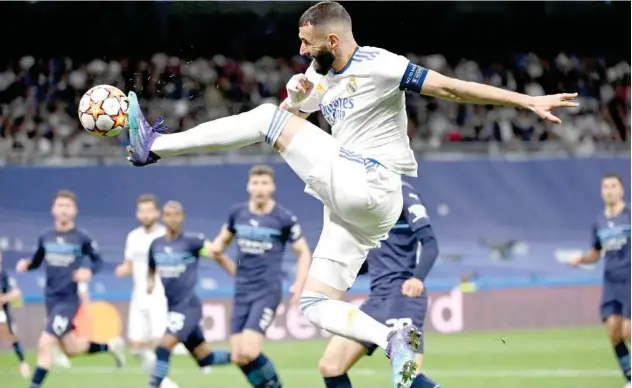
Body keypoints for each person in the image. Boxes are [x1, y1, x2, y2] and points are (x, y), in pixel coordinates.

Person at [125, 3, 577, 386]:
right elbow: (294, 114)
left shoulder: (380, 63)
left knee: (264, 118)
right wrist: (297, 96)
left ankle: (154, 145)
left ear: (334, 41)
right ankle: (392, 341)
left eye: (307, 43)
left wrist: (525, 102)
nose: (301, 50)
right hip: (357, 210)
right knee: (314, 303)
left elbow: (451, 88)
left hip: (373, 180)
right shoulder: (319, 74)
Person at [318, 180, 440, 388]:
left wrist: (418, 277)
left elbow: (430, 242)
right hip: (377, 300)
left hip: (404, 298)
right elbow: (369, 262)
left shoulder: (403, 193)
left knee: (406, 378)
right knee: (331, 366)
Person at [211, 164, 312, 388]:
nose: (259, 188)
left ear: (272, 187)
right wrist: (222, 259)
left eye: (264, 183)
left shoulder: (284, 218)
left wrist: (299, 282)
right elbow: (219, 247)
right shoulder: (238, 214)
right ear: (248, 186)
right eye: (256, 183)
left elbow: (303, 252)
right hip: (242, 291)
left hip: (267, 291)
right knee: (238, 356)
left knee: (250, 350)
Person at [15, 190, 125, 388]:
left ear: (74, 211)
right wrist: (27, 265)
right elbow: (37, 260)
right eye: (60, 205)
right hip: (50, 299)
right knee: (70, 348)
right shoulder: (46, 237)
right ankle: (109, 346)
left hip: (68, 300)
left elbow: (98, 262)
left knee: (46, 342)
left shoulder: (81, 238)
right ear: (53, 210)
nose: (63, 210)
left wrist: (88, 272)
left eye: (67, 206)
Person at [147, 201, 235, 388]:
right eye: (168, 214)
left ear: (182, 217)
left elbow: (216, 254)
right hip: (173, 307)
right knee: (205, 358)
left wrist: (237, 273)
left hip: (188, 306)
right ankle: (245, 357)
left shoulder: (193, 242)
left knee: (163, 348)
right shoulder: (156, 245)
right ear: (163, 217)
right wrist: (150, 282)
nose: (172, 218)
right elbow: (151, 267)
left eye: (175, 214)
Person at [570, 174, 631, 388]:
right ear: (601, 191)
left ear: (622, 190)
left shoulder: (629, 215)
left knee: (628, 331)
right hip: (611, 282)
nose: (609, 190)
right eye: (605, 186)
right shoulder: (599, 222)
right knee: (614, 331)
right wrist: (581, 259)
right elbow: (596, 252)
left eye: (613, 186)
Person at [114, 194, 179, 388]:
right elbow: (129, 264)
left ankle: (161, 382)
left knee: (159, 342)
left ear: (157, 213)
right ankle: (164, 381)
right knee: (135, 346)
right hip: (138, 295)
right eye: (142, 211)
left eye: (149, 210)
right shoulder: (133, 237)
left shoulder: (164, 236)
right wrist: (122, 269)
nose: (145, 215)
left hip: (159, 294)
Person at [0, 250, 31, 378]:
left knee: (12, 337)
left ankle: (23, 363)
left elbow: (16, 293)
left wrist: (4, 298)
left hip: (2, 313)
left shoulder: (4, 276)